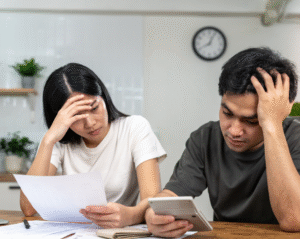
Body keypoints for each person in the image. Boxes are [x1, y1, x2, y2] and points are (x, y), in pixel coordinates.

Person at [145, 47, 300, 238]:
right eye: (227, 113)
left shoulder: (295, 137)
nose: (233, 131)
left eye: (251, 121)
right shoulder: (205, 138)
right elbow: (171, 196)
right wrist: (154, 216)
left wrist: (272, 125)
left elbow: (294, 219)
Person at [20, 63, 166, 228]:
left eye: (94, 107)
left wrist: (129, 216)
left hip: (120, 232)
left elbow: (152, 200)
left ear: (103, 96)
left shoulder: (135, 127)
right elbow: (28, 208)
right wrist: (48, 140)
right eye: (76, 116)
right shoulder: (59, 140)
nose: (90, 123)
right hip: (73, 232)